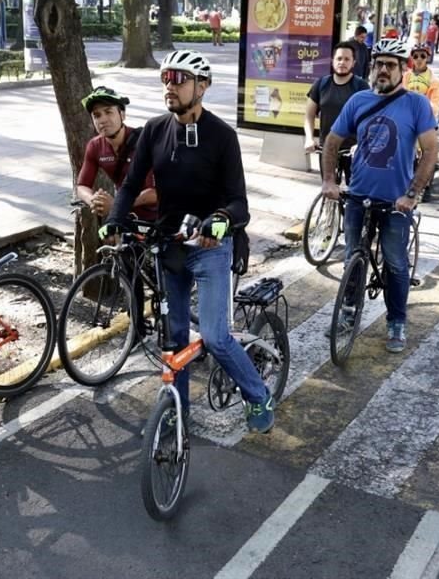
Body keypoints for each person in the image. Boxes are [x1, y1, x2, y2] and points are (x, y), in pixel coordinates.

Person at [102, 50, 275, 434]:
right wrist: (115, 219)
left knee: (214, 337)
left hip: (211, 249)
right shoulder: (154, 130)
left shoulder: (222, 136)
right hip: (169, 247)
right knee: (173, 338)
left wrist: (221, 220)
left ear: (203, 86)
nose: (170, 86)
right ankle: (178, 415)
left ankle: (258, 393)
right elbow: (131, 184)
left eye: (179, 79)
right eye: (166, 78)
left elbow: (239, 202)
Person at [321, 38, 438, 353]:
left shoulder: (417, 104)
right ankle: (346, 314)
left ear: (403, 69)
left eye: (390, 65)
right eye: (378, 64)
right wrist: (330, 181)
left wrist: (412, 194)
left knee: (397, 265)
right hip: (358, 196)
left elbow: (430, 152)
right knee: (351, 260)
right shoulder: (358, 100)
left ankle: (396, 321)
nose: (383, 70)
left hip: (396, 202)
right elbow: (332, 141)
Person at [76, 86, 156, 221]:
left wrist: (117, 204)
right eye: (97, 115)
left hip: (159, 216)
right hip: (125, 216)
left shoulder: (144, 141)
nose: (102, 120)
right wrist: (94, 201)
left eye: (108, 112)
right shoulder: (95, 146)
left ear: (122, 115)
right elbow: (82, 186)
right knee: (110, 238)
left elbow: (156, 192)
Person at [303, 41, 370, 182]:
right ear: (332, 61)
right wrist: (309, 138)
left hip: (352, 149)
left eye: (347, 59)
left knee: (355, 192)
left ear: (353, 62)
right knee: (328, 189)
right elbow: (309, 116)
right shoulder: (321, 84)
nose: (342, 62)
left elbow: (369, 118)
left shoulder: (361, 86)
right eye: (339, 58)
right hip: (327, 148)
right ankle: (329, 204)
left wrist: (361, 143)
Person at [404, 42, 439, 200]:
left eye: (423, 56)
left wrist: (422, 112)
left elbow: (435, 104)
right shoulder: (405, 76)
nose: (419, 59)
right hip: (406, 120)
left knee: (426, 154)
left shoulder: (434, 80)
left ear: (428, 58)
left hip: (424, 121)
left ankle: (425, 186)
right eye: (415, 56)